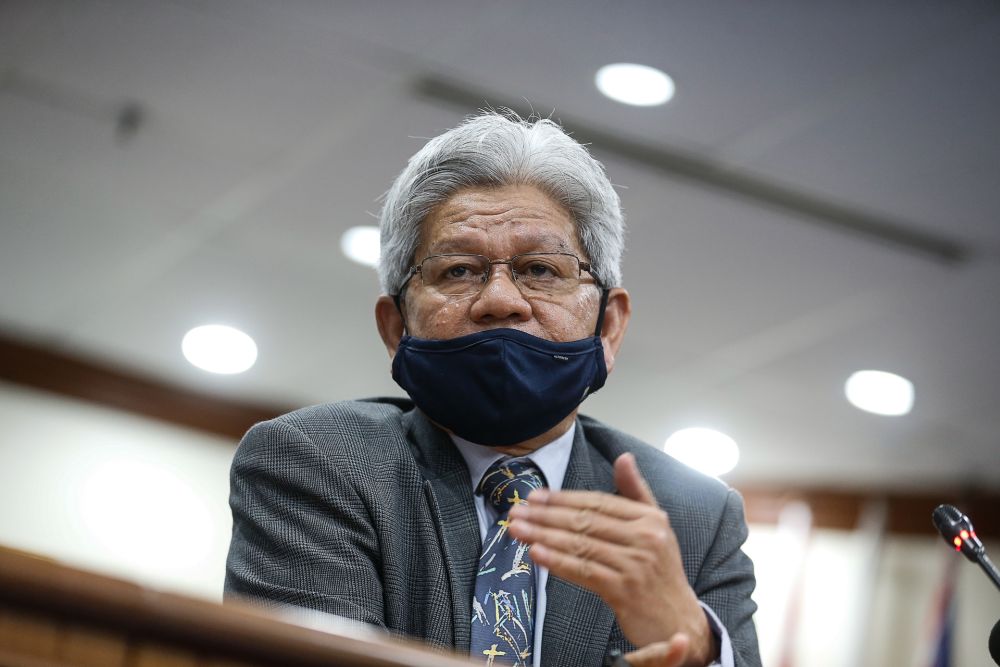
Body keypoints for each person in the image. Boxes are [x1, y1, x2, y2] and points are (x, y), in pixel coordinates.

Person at [225, 112, 760, 667]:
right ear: (396, 329)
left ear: (608, 327)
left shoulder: (695, 517)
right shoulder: (319, 463)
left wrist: (696, 650)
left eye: (542, 269)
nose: (501, 300)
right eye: (458, 270)